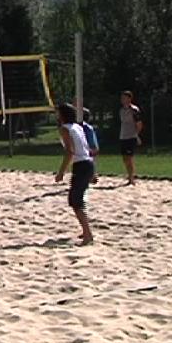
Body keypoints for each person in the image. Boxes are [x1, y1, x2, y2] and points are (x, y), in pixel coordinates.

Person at [55, 103, 94, 245]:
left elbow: (70, 152)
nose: (56, 115)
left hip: (81, 165)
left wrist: (61, 172)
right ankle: (86, 232)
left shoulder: (65, 129)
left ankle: (88, 234)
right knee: (77, 199)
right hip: (87, 163)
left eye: (58, 113)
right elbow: (86, 149)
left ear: (62, 115)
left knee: (75, 201)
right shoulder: (78, 127)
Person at [119, 90, 143, 185]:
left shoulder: (134, 110)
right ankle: (129, 175)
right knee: (124, 158)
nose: (122, 99)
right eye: (122, 98)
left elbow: (139, 124)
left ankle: (131, 178)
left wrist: (136, 135)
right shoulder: (121, 110)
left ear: (129, 98)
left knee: (129, 157)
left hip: (131, 136)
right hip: (123, 135)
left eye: (124, 98)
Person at [82, 107, 100, 184]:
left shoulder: (86, 127)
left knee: (88, 161)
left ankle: (91, 176)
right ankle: (91, 176)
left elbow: (90, 139)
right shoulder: (86, 126)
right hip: (90, 146)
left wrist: (92, 147)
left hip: (89, 146)